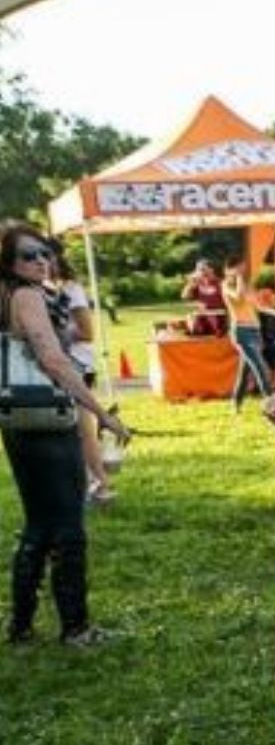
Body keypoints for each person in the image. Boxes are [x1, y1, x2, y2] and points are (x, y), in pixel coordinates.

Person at [1, 225, 130, 647]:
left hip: (18, 420)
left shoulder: (7, 295)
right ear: (10, 263)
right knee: (68, 525)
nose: (41, 261)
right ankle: (75, 627)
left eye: (45, 252)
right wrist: (98, 413)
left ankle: (20, 625)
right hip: (47, 420)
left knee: (39, 522)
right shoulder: (27, 295)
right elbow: (52, 358)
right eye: (29, 255)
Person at [45, 244, 113, 505]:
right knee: (74, 431)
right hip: (63, 363)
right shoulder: (45, 290)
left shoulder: (70, 289)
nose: (40, 262)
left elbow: (87, 332)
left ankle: (102, 486)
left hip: (78, 365)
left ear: (55, 259)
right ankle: (89, 485)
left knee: (83, 431)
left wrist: (53, 334)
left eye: (45, 256)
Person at [223, 260, 275, 413]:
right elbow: (238, 299)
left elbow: (257, 306)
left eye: (242, 269)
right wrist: (239, 279)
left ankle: (235, 403)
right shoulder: (226, 286)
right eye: (237, 269)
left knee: (245, 372)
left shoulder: (245, 286)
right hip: (242, 332)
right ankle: (272, 405)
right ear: (228, 270)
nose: (241, 272)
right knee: (261, 368)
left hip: (255, 332)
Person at [181, 258, 228, 336]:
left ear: (211, 269)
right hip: (203, 317)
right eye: (198, 270)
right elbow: (184, 296)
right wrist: (190, 284)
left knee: (211, 320)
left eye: (203, 269)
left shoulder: (220, 283)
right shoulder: (198, 284)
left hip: (218, 317)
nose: (201, 272)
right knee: (192, 317)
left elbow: (227, 303)